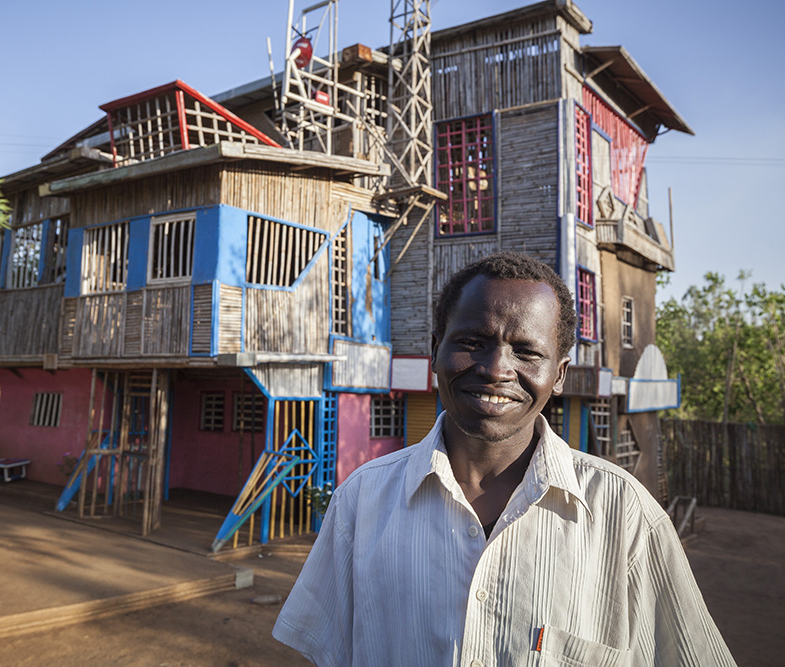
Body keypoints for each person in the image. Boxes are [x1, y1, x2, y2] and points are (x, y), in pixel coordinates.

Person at [273, 251, 736, 666]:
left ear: (559, 374)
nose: (496, 370)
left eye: (527, 351)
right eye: (472, 342)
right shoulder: (363, 498)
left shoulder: (626, 515)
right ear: (436, 348)